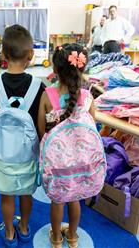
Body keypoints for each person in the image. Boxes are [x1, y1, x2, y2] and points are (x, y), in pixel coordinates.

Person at [0, 24, 45, 248]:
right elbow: (42, 125)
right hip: (28, 153)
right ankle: (24, 227)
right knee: (26, 192)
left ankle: (9, 233)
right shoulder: (39, 87)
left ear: (3, 55)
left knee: (7, 195)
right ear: (31, 55)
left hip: (1, 153)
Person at [37, 43, 95, 248]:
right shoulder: (88, 96)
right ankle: (72, 236)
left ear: (55, 70)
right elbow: (93, 128)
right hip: (81, 162)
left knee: (58, 200)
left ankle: (56, 239)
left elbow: (41, 130)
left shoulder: (47, 95)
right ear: (82, 68)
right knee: (75, 199)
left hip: (57, 163)